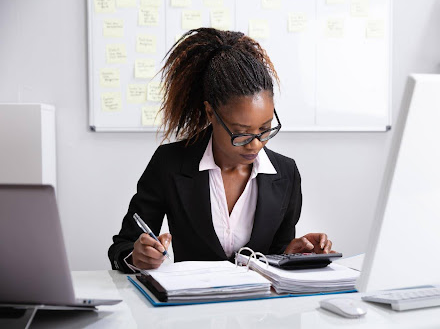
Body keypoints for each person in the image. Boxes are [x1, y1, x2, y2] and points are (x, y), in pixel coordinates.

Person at [108, 28, 335, 272]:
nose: (256, 144)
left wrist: (292, 254)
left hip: (262, 307)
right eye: (242, 132)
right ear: (210, 114)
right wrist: (136, 256)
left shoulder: (286, 173)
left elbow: (276, 252)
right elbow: (123, 245)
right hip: (190, 304)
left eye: (265, 129)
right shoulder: (170, 163)